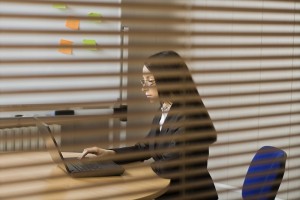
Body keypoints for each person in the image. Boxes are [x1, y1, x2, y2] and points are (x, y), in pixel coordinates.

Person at [80, 50, 219, 200]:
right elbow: (144, 147)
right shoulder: (165, 108)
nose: (144, 88)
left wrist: (125, 174)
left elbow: (169, 166)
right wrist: (109, 154)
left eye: (149, 81)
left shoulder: (189, 118)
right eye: (143, 81)